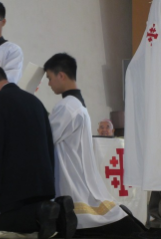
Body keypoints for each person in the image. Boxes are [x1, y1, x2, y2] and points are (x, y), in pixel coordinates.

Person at [45, 53, 147, 238]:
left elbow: (45, 137)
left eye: (49, 78)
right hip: (81, 176)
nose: (49, 84)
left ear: (61, 75)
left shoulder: (66, 106)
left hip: (72, 180)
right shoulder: (78, 105)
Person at [0, 64, 77, 239]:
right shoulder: (35, 101)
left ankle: (40, 212)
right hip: (42, 183)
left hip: (15, 184)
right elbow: (48, 143)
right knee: (40, 215)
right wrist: (50, 185)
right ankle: (58, 210)